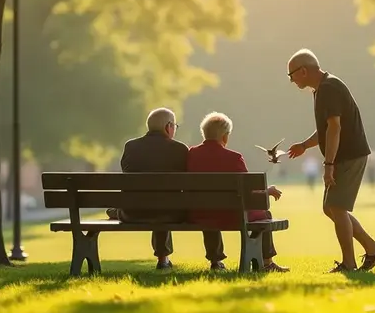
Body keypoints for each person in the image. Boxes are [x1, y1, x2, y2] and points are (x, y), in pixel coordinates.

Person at [285, 48, 375, 272]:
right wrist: (304, 145)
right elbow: (325, 130)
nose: (291, 80)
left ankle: (349, 264)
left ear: (303, 71)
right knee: (330, 208)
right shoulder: (322, 89)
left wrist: (328, 165)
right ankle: (373, 250)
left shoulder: (329, 88)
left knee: (336, 207)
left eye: (291, 75)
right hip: (345, 155)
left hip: (349, 155)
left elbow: (335, 127)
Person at [113, 107, 226, 270]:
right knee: (187, 205)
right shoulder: (179, 149)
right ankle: (215, 261)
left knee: (154, 201)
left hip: (133, 213)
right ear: (168, 127)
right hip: (171, 213)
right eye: (175, 126)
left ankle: (163, 259)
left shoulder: (131, 146)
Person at [187, 111, 289, 272]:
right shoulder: (234, 157)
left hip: (199, 212)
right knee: (264, 214)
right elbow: (248, 192)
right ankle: (267, 262)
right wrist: (266, 191)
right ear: (225, 137)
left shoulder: (191, 154)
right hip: (233, 214)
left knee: (209, 210)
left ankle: (215, 261)